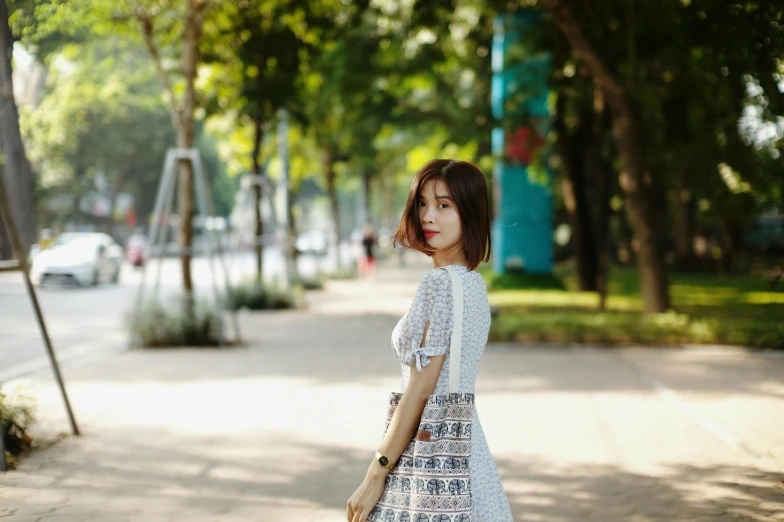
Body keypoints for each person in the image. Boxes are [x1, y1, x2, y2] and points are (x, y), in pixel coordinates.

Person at [346, 159, 514, 522]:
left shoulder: (439, 284)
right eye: (422, 203)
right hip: (469, 458)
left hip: (431, 462)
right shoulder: (472, 284)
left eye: (443, 205)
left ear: (469, 212)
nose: (428, 216)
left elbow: (420, 389)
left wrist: (376, 471)